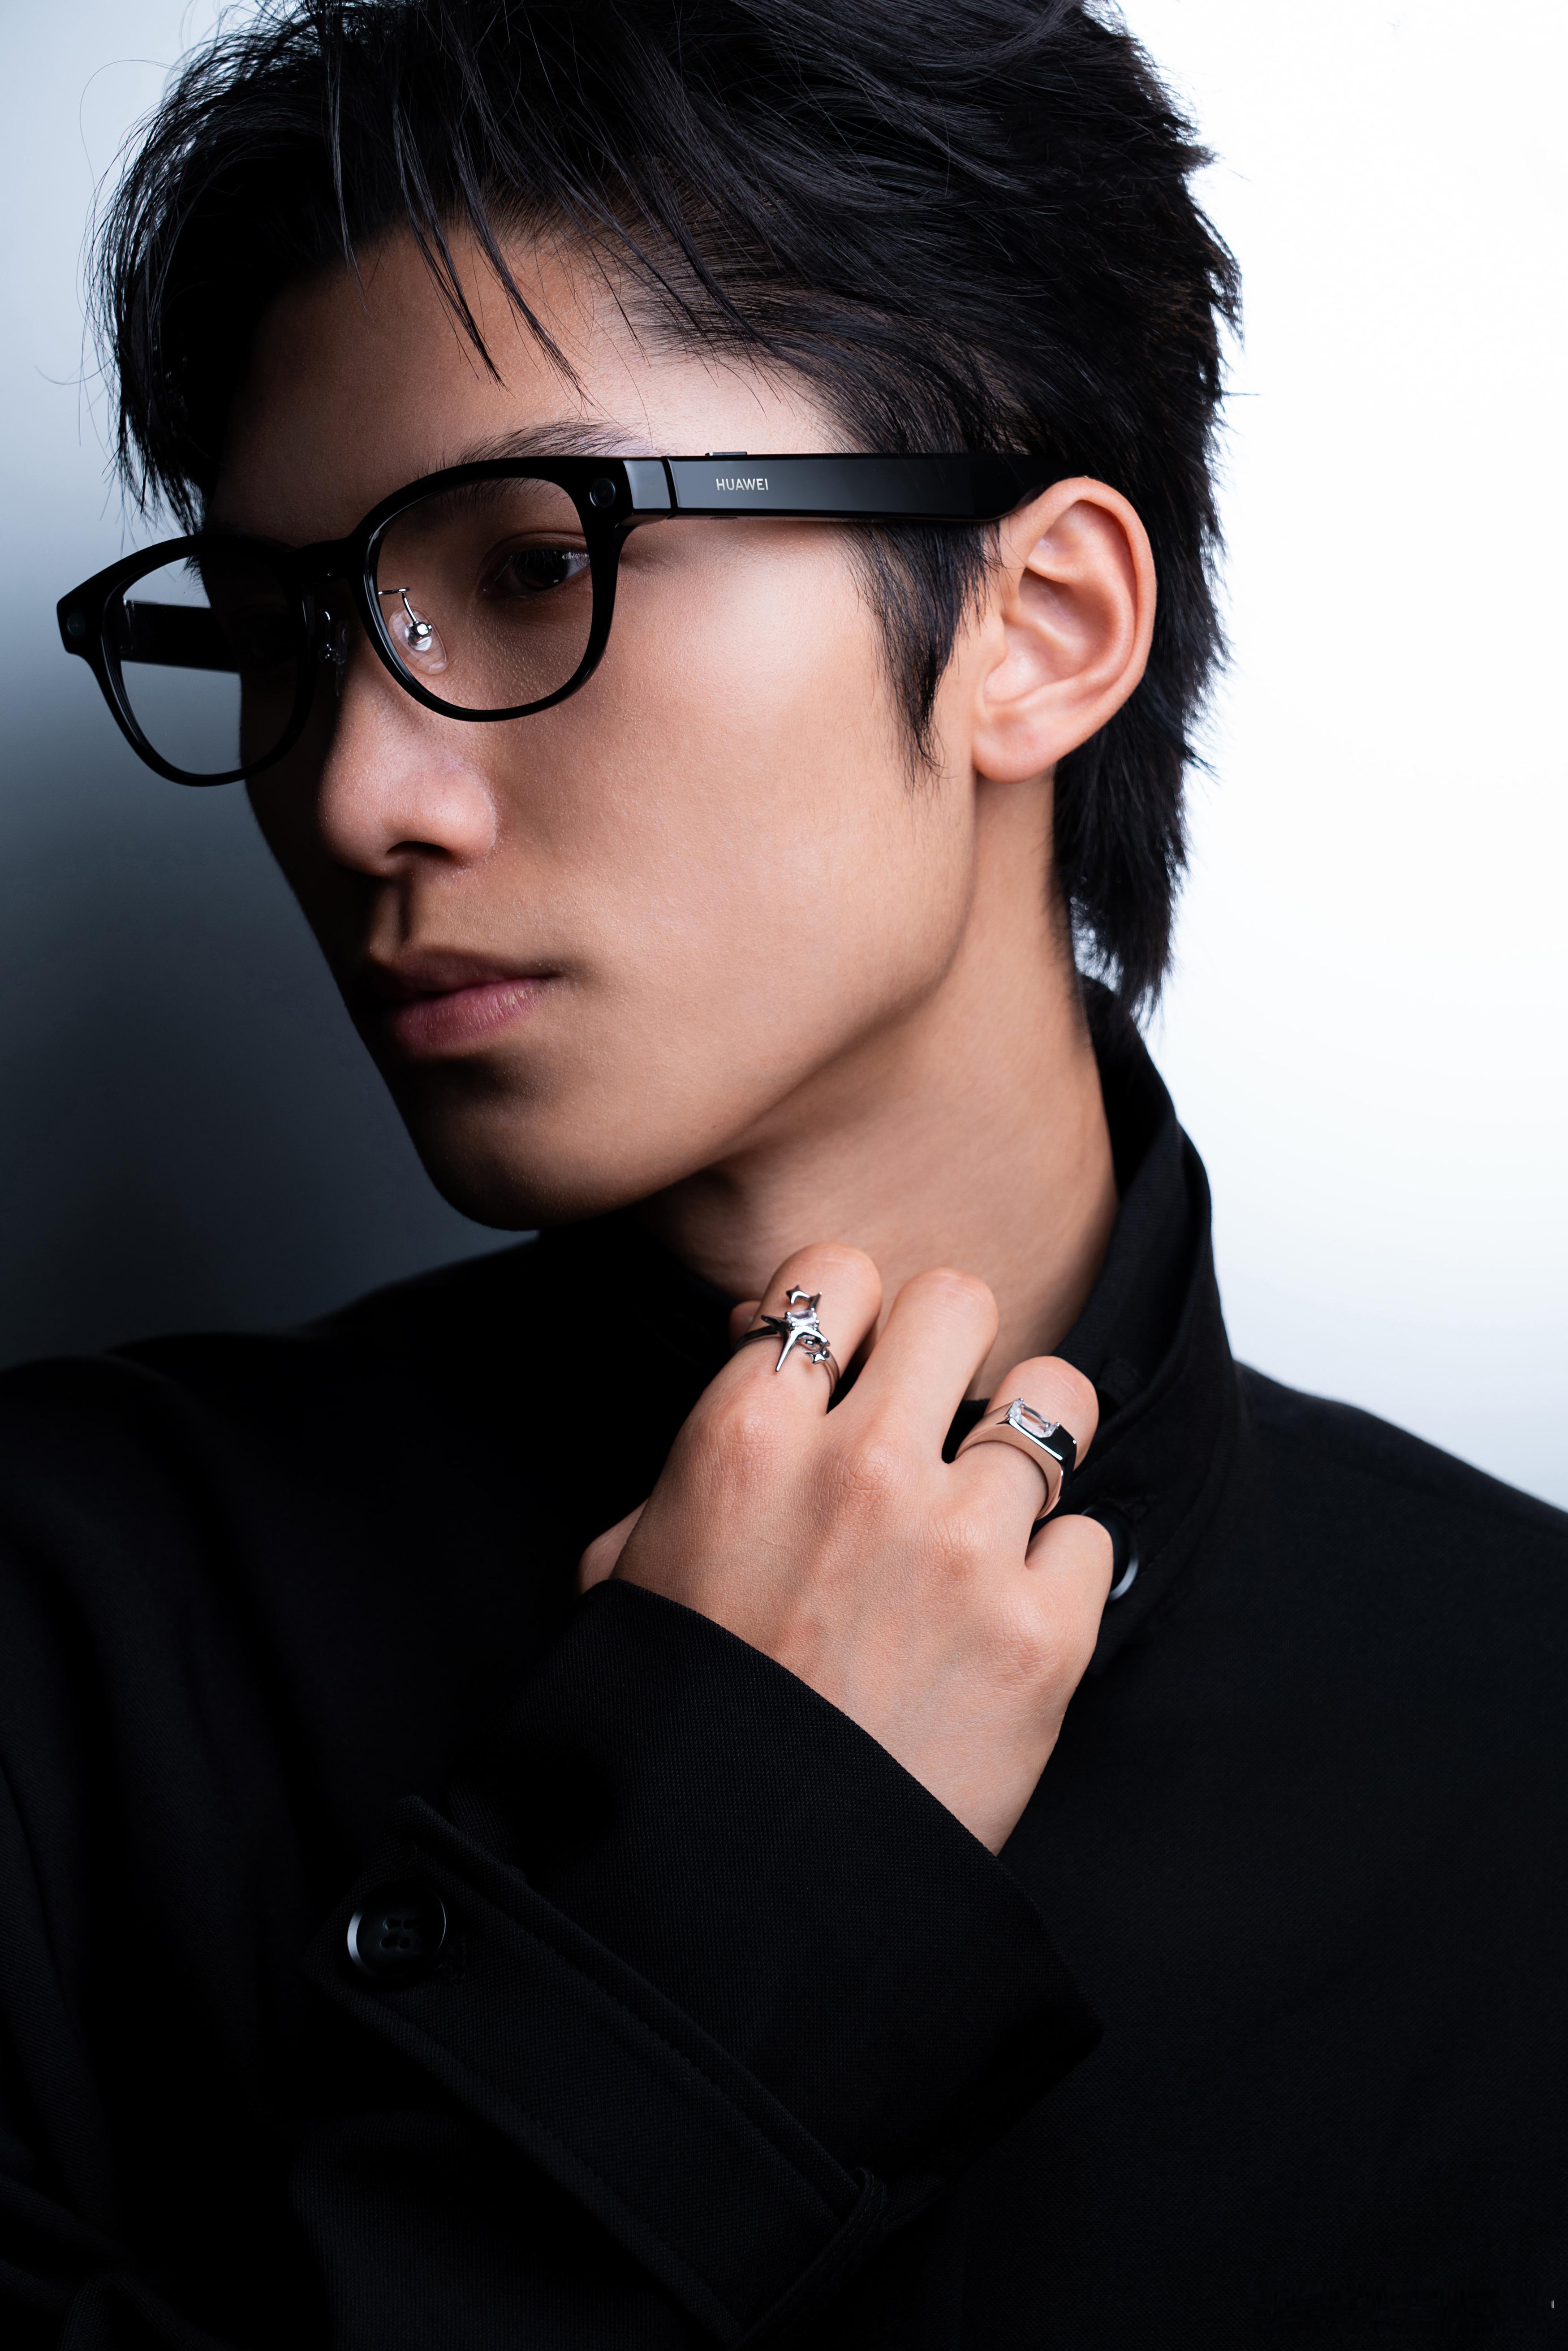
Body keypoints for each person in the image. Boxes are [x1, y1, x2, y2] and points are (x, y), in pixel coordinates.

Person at [7, 1, 1565, 2342]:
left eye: (533, 567)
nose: (352, 795)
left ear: (1039, 629)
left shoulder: (1523, 1740)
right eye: (281, 637)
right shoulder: (62, 1631)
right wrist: (728, 1891)